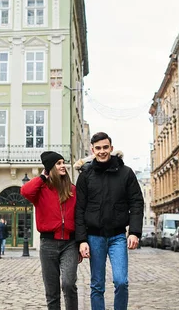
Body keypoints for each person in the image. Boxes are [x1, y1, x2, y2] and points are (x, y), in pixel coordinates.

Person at [76, 132, 144, 310]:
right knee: (97, 285)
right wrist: (82, 240)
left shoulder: (126, 173)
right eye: (98, 148)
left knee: (121, 281)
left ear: (111, 148)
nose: (102, 151)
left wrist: (135, 232)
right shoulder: (85, 175)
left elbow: (136, 202)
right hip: (94, 237)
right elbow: (79, 209)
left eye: (105, 147)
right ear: (93, 150)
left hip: (118, 237)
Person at [21, 151, 78, 310]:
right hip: (48, 244)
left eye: (63, 163)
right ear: (50, 168)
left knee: (68, 284)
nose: (63, 166)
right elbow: (25, 191)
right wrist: (42, 177)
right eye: (58, 163)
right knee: (51, 291)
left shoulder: (72, 189)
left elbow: (80, 218)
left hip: (70, 243)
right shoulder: (40, 190)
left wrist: (81, 242)